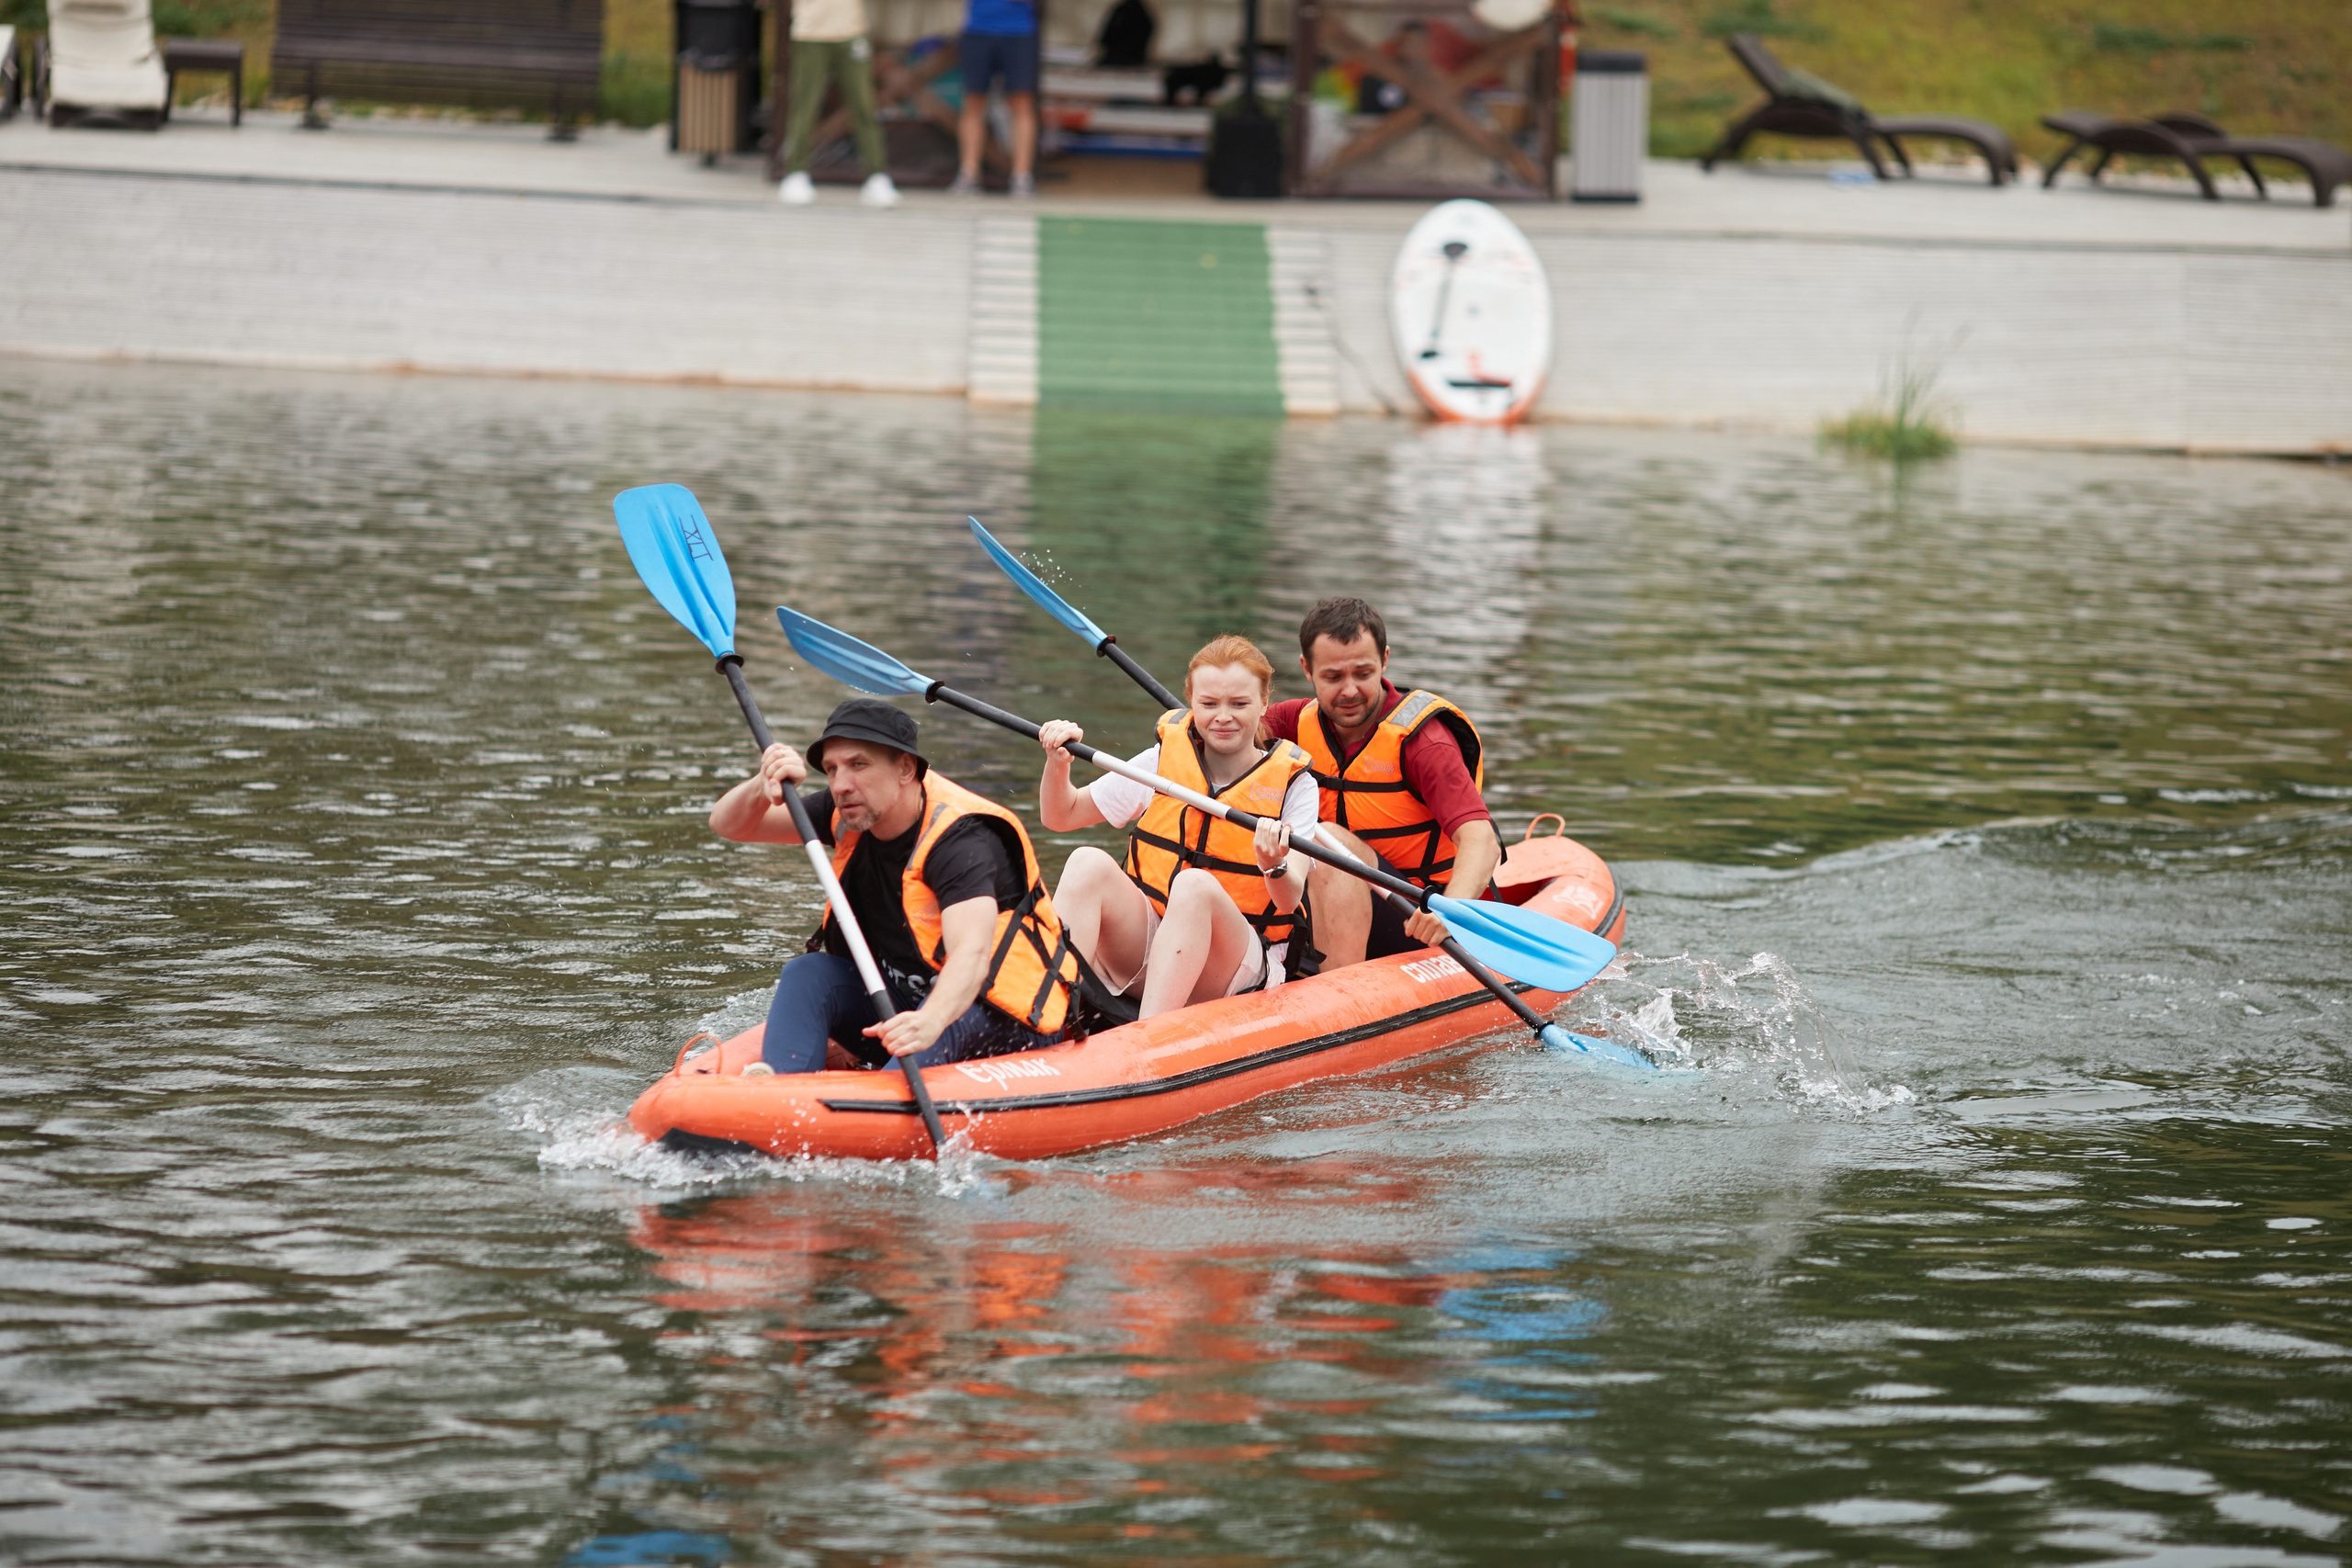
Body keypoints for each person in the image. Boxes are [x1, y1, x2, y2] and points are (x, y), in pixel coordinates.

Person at [709, 698, 1080, 1075]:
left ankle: (868, 1110)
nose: (841, 784)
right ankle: (779, 1096)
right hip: (909, 1002)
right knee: (807, 973)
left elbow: (972, 955)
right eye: (831, 769)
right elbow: (732, 826)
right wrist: (762, 784)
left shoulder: (962, 840)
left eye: (858, 765)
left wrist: (930, 1020)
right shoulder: (849, 811)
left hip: (994, 1011)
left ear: (905, 768)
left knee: (936, 1024)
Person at [1035, 636, 1318, 1018]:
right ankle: (1045, 1016)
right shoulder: (1162, 761)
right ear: (1191, 702)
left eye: (1239, 703)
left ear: (1264, 702)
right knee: (1087, 861)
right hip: (1155, 948)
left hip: (1235, 971)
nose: (1223, 716)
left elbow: (1288, 899)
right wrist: (1058, 763)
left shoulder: (1295, 784)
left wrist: (1274, 863)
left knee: (1194, 884)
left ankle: (1149, 1041)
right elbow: (1062, 816)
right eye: (1208, 704)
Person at [1262, 597, 1499, 968]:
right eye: (1333, 676)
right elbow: (1220, 727)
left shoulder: (1423, 743)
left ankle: (1337, 997)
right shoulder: (1290, 722)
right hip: (1328, 905)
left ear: (1384, 660)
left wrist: (1448, 913)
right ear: (1307, 669)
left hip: (1416, 918)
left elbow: (1482, 841)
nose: (1350, 691)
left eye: (1363, 673)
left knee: (1329, 842)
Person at [775, 0, 899, 209]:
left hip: (852, 30)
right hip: (810, 31)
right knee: (805, 105)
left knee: (863, 105)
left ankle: (876, 175)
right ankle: (795, 172)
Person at [949, 0, 1038, 197]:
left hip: (1020, 32)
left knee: (1022, 102)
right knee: (973, 101)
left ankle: (1021, 177)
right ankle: (969, 174)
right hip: (977, 29)